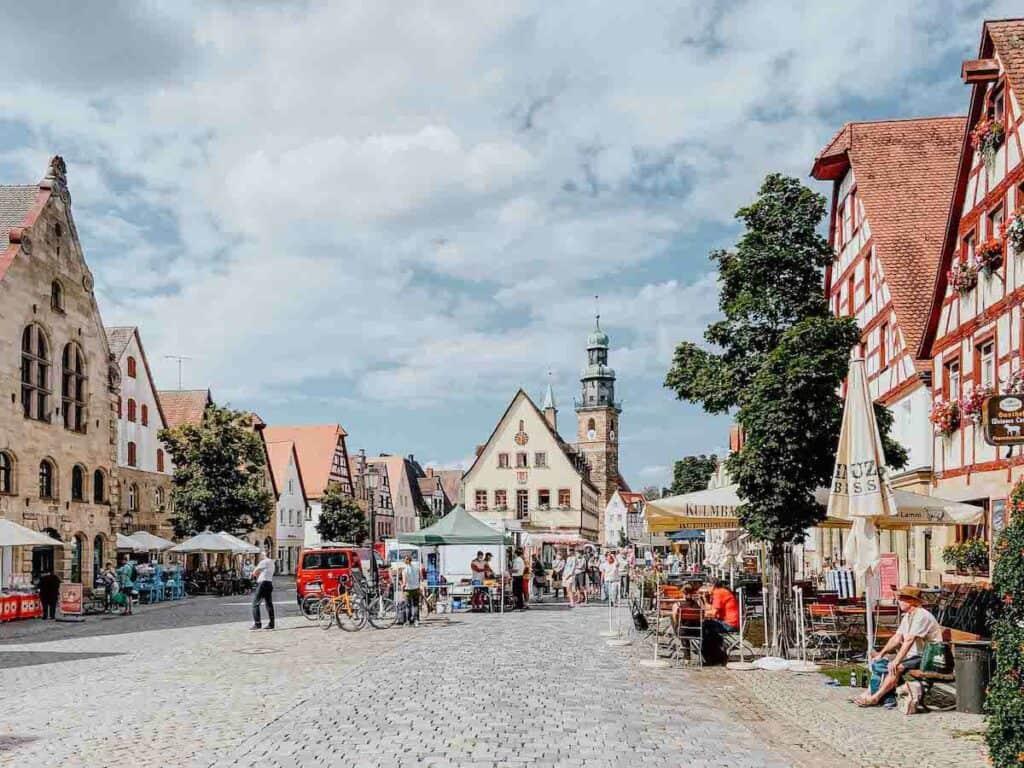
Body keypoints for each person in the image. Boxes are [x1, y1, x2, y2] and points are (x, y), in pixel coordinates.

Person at [854, 586, 943, 707]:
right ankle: (886, 697)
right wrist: (881, 654)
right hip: (914, 655)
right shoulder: (908, 616)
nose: (898, 601)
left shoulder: (922, 616)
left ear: (912, 601)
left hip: (928, 657)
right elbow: (896, 638)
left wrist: (896, 661)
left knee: (897, 667)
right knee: (880, 662)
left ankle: (875, 697)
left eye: (901, 598)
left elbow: (909, 640)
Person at [250, 550, 276, 630]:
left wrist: (254, 574)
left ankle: (257, 623)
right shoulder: (272, 562)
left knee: (255, 604)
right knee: (269, 604)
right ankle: (271, 623)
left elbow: (254, 572)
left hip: (262, 583)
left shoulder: (264, 562)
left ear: (263, 555)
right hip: (269, 583)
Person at [401, 554, 422, 626]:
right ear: (411, 560)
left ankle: (408, 621)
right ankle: (416, 621)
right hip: (416, 588)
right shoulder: (416, 568)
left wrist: (402, 588)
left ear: (405, 561)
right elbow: (421, 577)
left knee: (408, 606)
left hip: (408, 589)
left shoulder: (404, 570)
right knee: (416, 605)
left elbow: (404, 583)